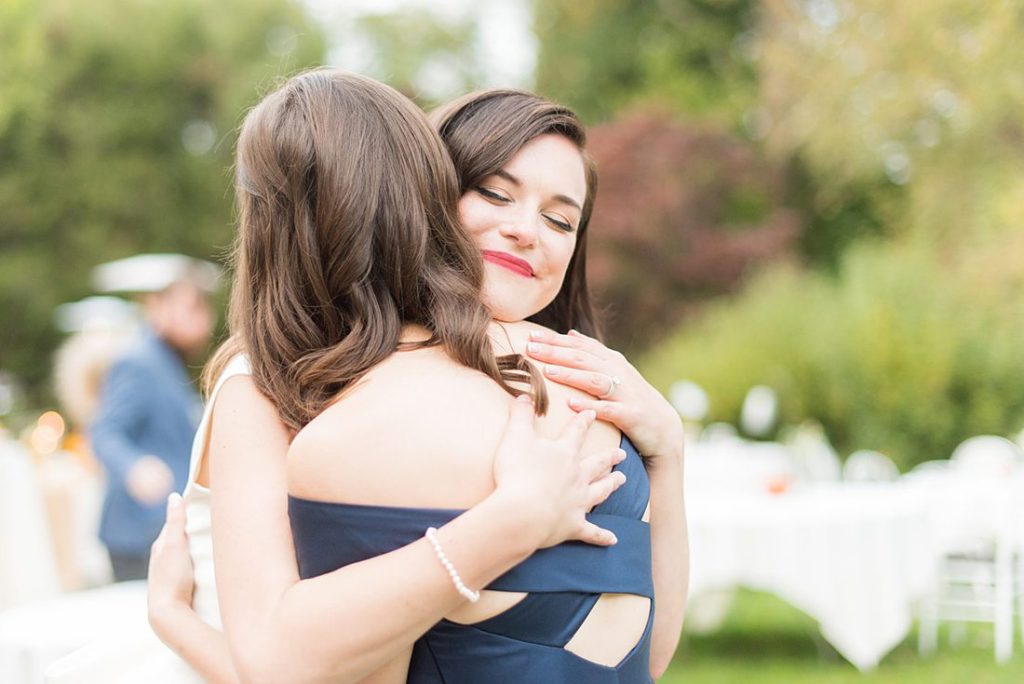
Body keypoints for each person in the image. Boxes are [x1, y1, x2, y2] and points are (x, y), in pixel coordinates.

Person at [148, 75, 686, 682]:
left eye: (561, 222)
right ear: (421, 194)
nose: (527, 231)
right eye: (493, 192)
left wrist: (668, 449)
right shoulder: (281, 381)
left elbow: (640, 654)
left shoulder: (574, 383)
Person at [87, 256, 215, 581]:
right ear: (157, 307)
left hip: (158, 527)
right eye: (191, 307)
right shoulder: (139, 361)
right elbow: (104, 430)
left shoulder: (168, 362)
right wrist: (134, 467)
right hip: (138, 532)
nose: (205, 320)